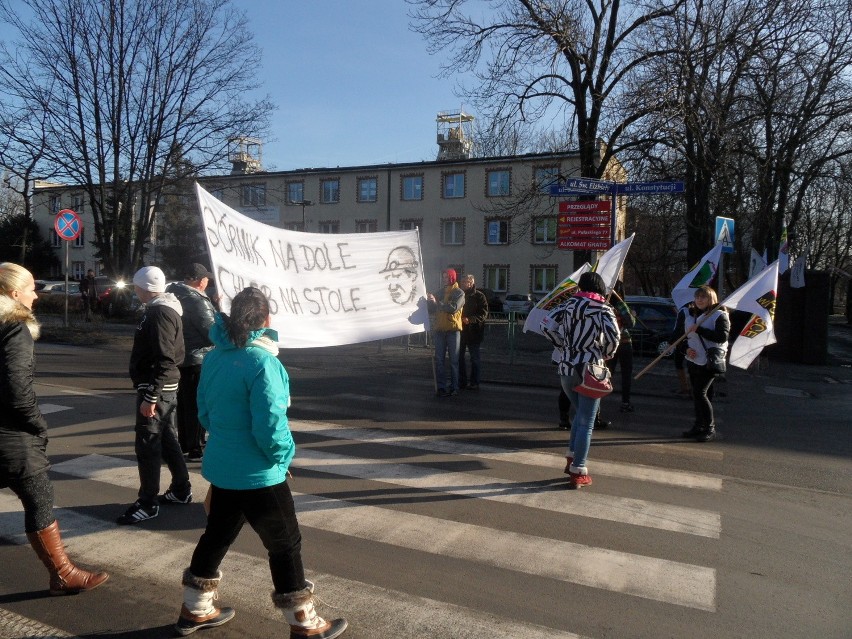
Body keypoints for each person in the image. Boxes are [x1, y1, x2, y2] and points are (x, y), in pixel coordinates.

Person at [175, 287, 347, 639]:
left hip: (223, 469)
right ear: (266, 320)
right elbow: (270, 424)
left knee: (217, 536)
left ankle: (195, 608)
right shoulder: (264, 362)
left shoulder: (215, 357)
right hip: (259, 475)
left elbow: (203, 411)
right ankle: (304, 622)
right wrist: (282, 459)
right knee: (285, 545)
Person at [0, 262, 109, 594]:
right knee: (39, 497)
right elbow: (17, 389)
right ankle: (62, 573)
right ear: (14, 293)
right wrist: (37, 423)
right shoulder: (15, 328)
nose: (37, 294)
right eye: (32, 287)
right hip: (11, 434)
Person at [117, 266, 192, 525]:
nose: (135, 291)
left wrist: (151, 396)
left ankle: (148, 502)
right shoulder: (163, 308)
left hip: (157, 386)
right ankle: (181, 489)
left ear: (143, 288)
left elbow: (165, 358)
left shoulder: (159, 312)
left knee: (148, 444)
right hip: (162, 386)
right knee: (167, 438)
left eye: (136, 287)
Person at [542, 272, 619, 488]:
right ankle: (578, 469)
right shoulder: (603, 308)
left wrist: (561, 345)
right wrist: (605, 352)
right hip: (590, 369)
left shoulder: (566, 306)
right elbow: (614, 337)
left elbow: (545, 325)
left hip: (566, 367)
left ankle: (571, 456)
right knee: (587, 422)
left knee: (579, 415)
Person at [166, 264, 216, 462]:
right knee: (198, 404)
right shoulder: (197, 301)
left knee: (186, 403)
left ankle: (186, 444)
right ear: (199, 280)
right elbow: (212, 332)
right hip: (198, 358)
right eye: (206, 278)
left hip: (181, 357)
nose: (208, 281)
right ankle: (196, 447)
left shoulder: (174, 293)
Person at [675, 285, 729, 442]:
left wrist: (700, 330)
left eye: (703, 297)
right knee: (697, 394)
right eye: (697, 297)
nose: (699, 300)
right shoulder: (691, 315)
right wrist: (686, 350)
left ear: (711, 298)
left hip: (709, 360)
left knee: (700, 393)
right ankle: (699, 425)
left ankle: (710, 428)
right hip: (693, 359)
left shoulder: (719, 315)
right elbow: (683, 337)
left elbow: (722, 337)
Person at [426, 268, 465, 397]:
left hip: (453, 331)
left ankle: (454, 387)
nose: (444, 279)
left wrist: (437, 302)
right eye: (443, 277)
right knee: (439, 361)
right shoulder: (440, 292)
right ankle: (441, 387)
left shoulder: (459, 293)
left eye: (446, 277)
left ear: (452, 278)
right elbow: (432, 309)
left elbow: (453, 308)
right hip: (439, 330)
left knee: (454, 361)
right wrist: (429, 300)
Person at [607, 284, 636, 412]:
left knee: (607, 372)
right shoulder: (621, 305)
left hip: (609, 343)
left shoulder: (605, 304)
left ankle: (597, 400)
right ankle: (625, 402)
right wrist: (632, 314)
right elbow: (630, 323)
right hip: (624, 342)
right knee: (626, 374)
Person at [458, 273, 488, 390]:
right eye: (462, 282)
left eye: (465, 282)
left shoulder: (479, 296)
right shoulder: (459, 295)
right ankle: (462, 381)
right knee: (459, 358)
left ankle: (475, 382)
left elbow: (484, 313)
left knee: (474, 358)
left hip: (474, 332)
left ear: (471, 283)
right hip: (460, 331)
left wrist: (470, 320)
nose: (462, 284)